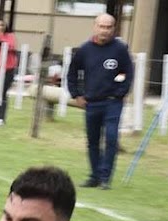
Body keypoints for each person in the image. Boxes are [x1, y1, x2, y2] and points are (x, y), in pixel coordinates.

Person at [67, 13, 134, 190]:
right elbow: (72, 72)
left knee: (111, 138)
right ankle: (94, 175)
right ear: (95, 27)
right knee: (93, 140)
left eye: (108, 27)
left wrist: (120, 93)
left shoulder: (120, 49)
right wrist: (76, 94)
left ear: (114, 29)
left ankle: (105, 177)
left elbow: (129, 73)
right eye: (102, 26)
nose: (105, 31)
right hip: (91, 102)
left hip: (112, 102)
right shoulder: (85, 49)